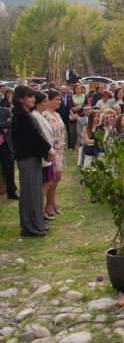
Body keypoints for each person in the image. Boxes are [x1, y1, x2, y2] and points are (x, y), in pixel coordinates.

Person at [11, 86, 53, 237]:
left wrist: (45, 150)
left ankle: (36, 224)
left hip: (32, 157)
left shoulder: (26, 115)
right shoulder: (21, 116)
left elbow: (36, 136)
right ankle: (31, 227)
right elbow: (33, 136)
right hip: (27, 158)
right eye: (30, 96)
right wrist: (48, 149)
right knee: (29, 193)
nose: (33, 99)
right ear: (21, 98)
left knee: (34, 192)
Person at [43, 89, 67, 216]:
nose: (59, 102)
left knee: (58, 178)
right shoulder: (45, 115)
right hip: (52, 149)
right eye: (57, 99)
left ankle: (52, 202)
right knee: (51, 178)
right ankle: (47, 205)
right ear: (50, 101)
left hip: (60, 149)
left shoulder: (57, 115)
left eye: (60, 99)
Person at [0, 103, 18, 199]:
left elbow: (10, 123)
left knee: (9, 169)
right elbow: (6, 125)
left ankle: (11, 192)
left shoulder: (5, 111)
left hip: (4, 145)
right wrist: (3, 127)